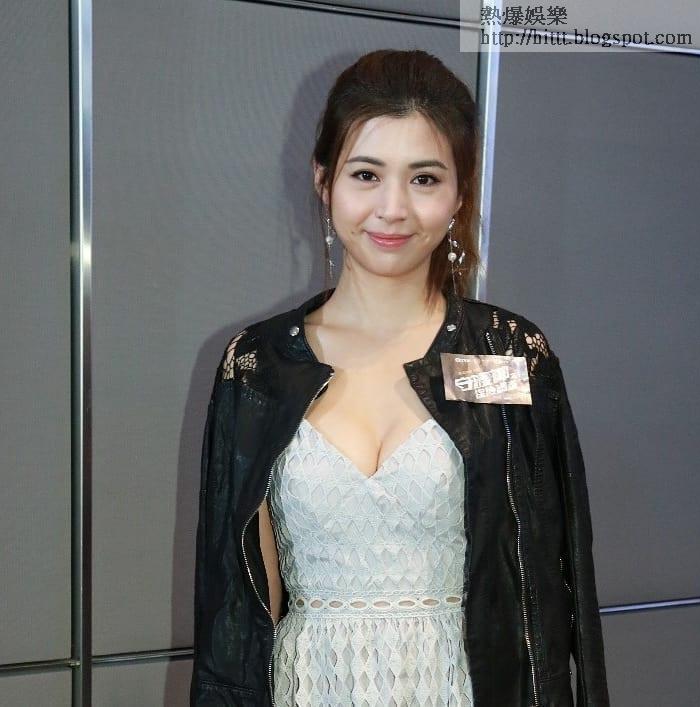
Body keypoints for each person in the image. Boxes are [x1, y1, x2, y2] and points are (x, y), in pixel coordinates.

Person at [190, 49, 610, 707]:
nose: (392, 208)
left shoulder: (507, 355)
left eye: (424, 179)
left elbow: (551, 577)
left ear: (459, 193)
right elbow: (239, 608)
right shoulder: (259, 366)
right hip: (313, 685)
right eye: (366, 174)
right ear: (324, 181)